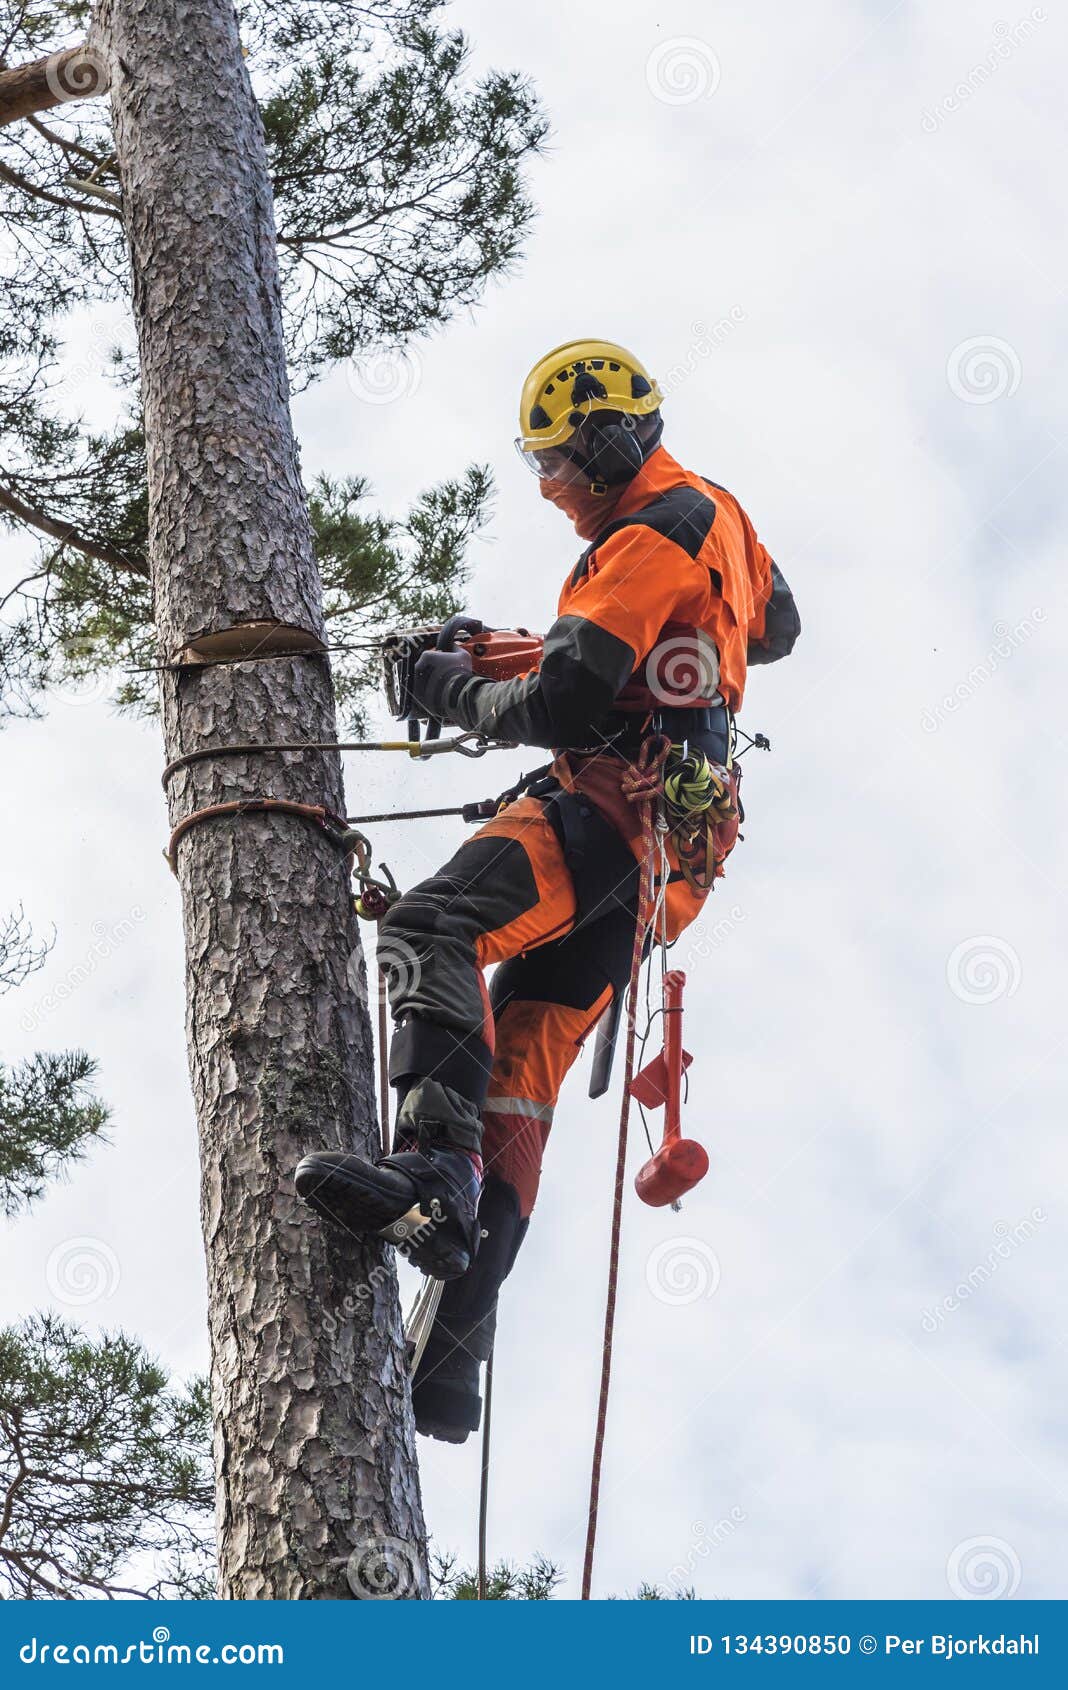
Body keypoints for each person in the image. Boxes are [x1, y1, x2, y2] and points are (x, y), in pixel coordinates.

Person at [295, 339, 800, 1442]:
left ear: (613, 445)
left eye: (559, 463)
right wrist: (525, 645)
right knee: (518, 1060)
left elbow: (568, 708)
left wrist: (449, 685)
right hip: (675, 857)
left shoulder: (644, 534)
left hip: (618, 809)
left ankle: (432, 1174)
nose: (549, 487)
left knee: (434, 923)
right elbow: (774, 627)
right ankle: (454, 1349)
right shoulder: (716, 519)